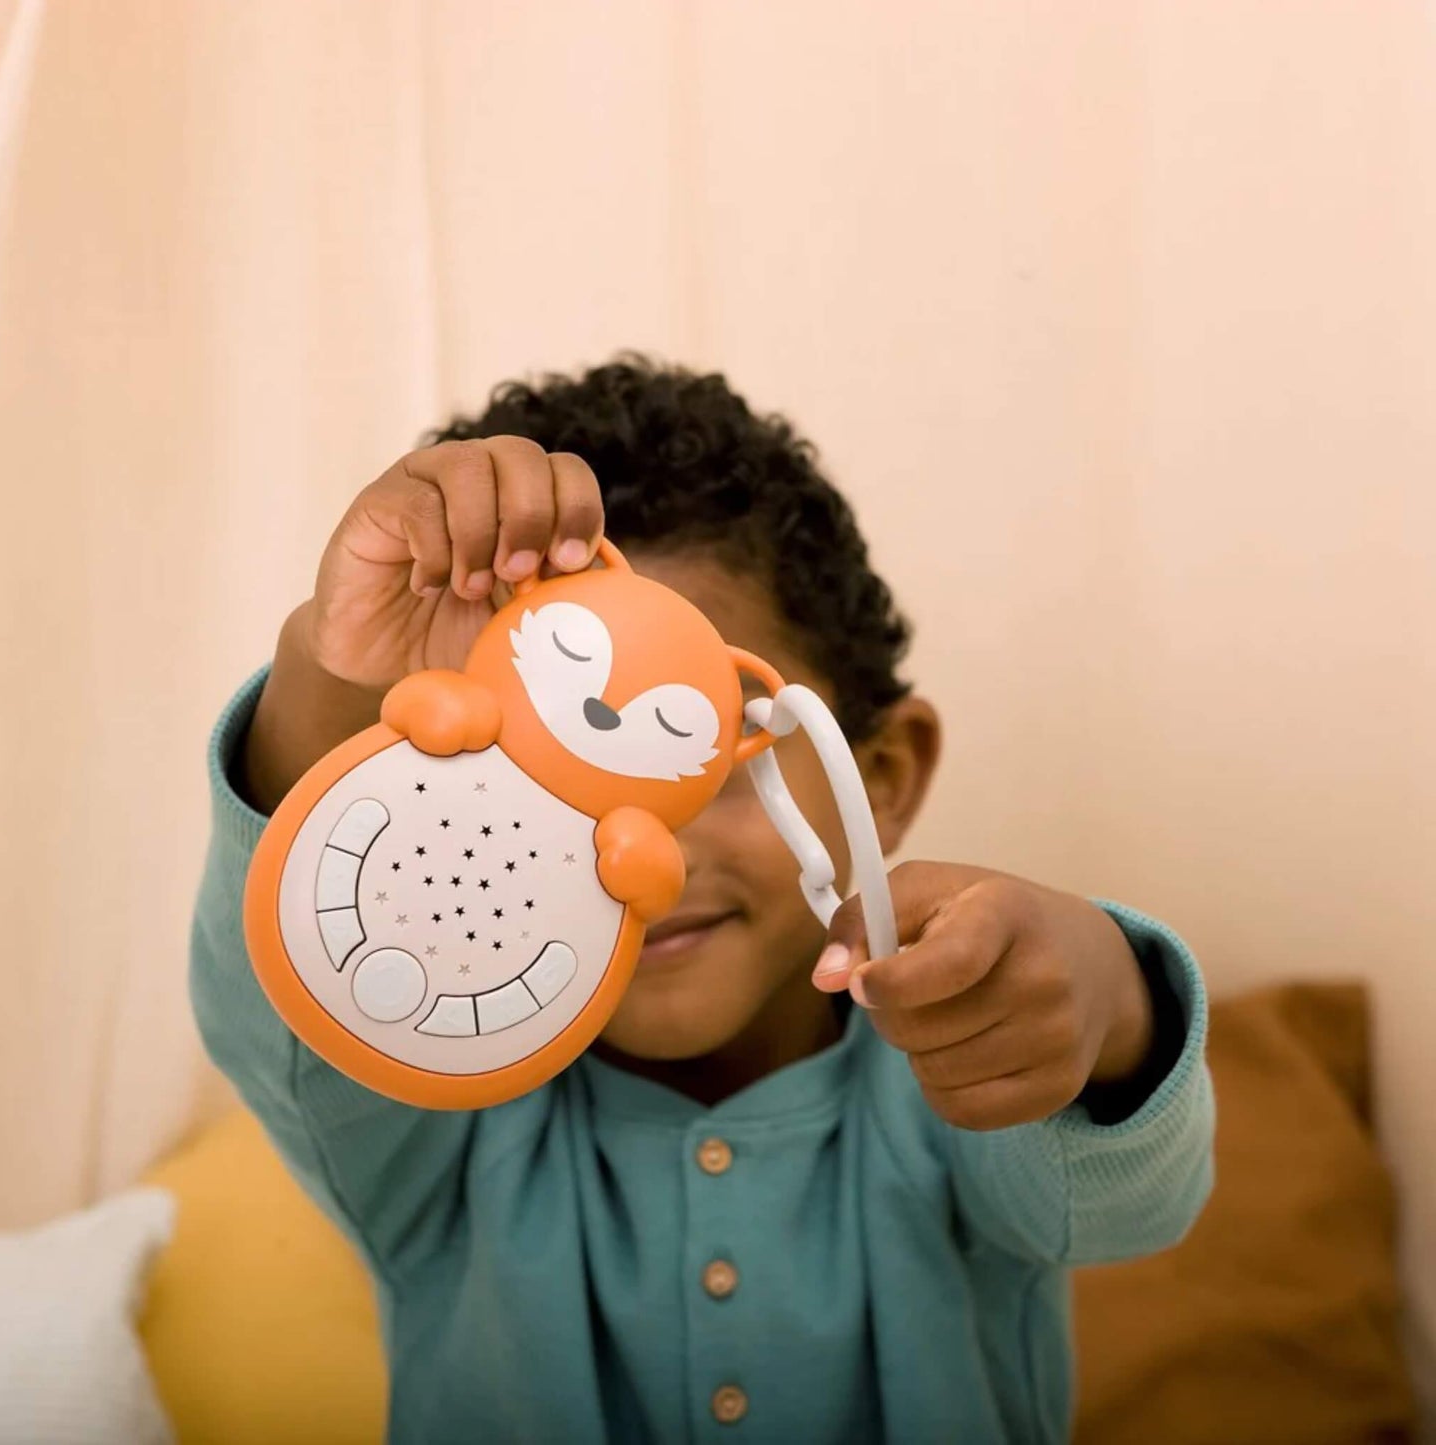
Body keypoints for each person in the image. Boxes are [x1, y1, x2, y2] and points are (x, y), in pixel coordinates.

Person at [192, 353, 1214, 1444]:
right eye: (543, 782)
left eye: (708, 755)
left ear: (881, 774)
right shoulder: (433, 1124)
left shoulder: (957, 1079)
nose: (644, 850)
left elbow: (1127, 1205)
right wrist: (334, 665)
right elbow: (286, 987)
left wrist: (1104, 1000)